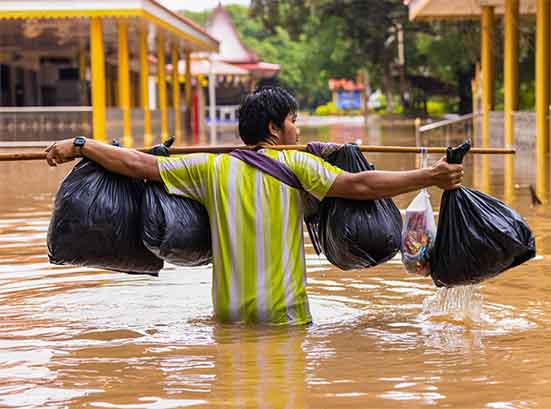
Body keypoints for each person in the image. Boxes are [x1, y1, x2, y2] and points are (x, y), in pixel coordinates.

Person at [45, 86, 463, 326]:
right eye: (293, 120)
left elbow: (138, 164)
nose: (297, 128)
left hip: (228, 317)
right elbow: (361, 184)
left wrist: (81, 145)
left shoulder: (211, 169)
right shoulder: (299, 164)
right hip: (286, 316)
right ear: (273, 128)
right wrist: (430, 176)